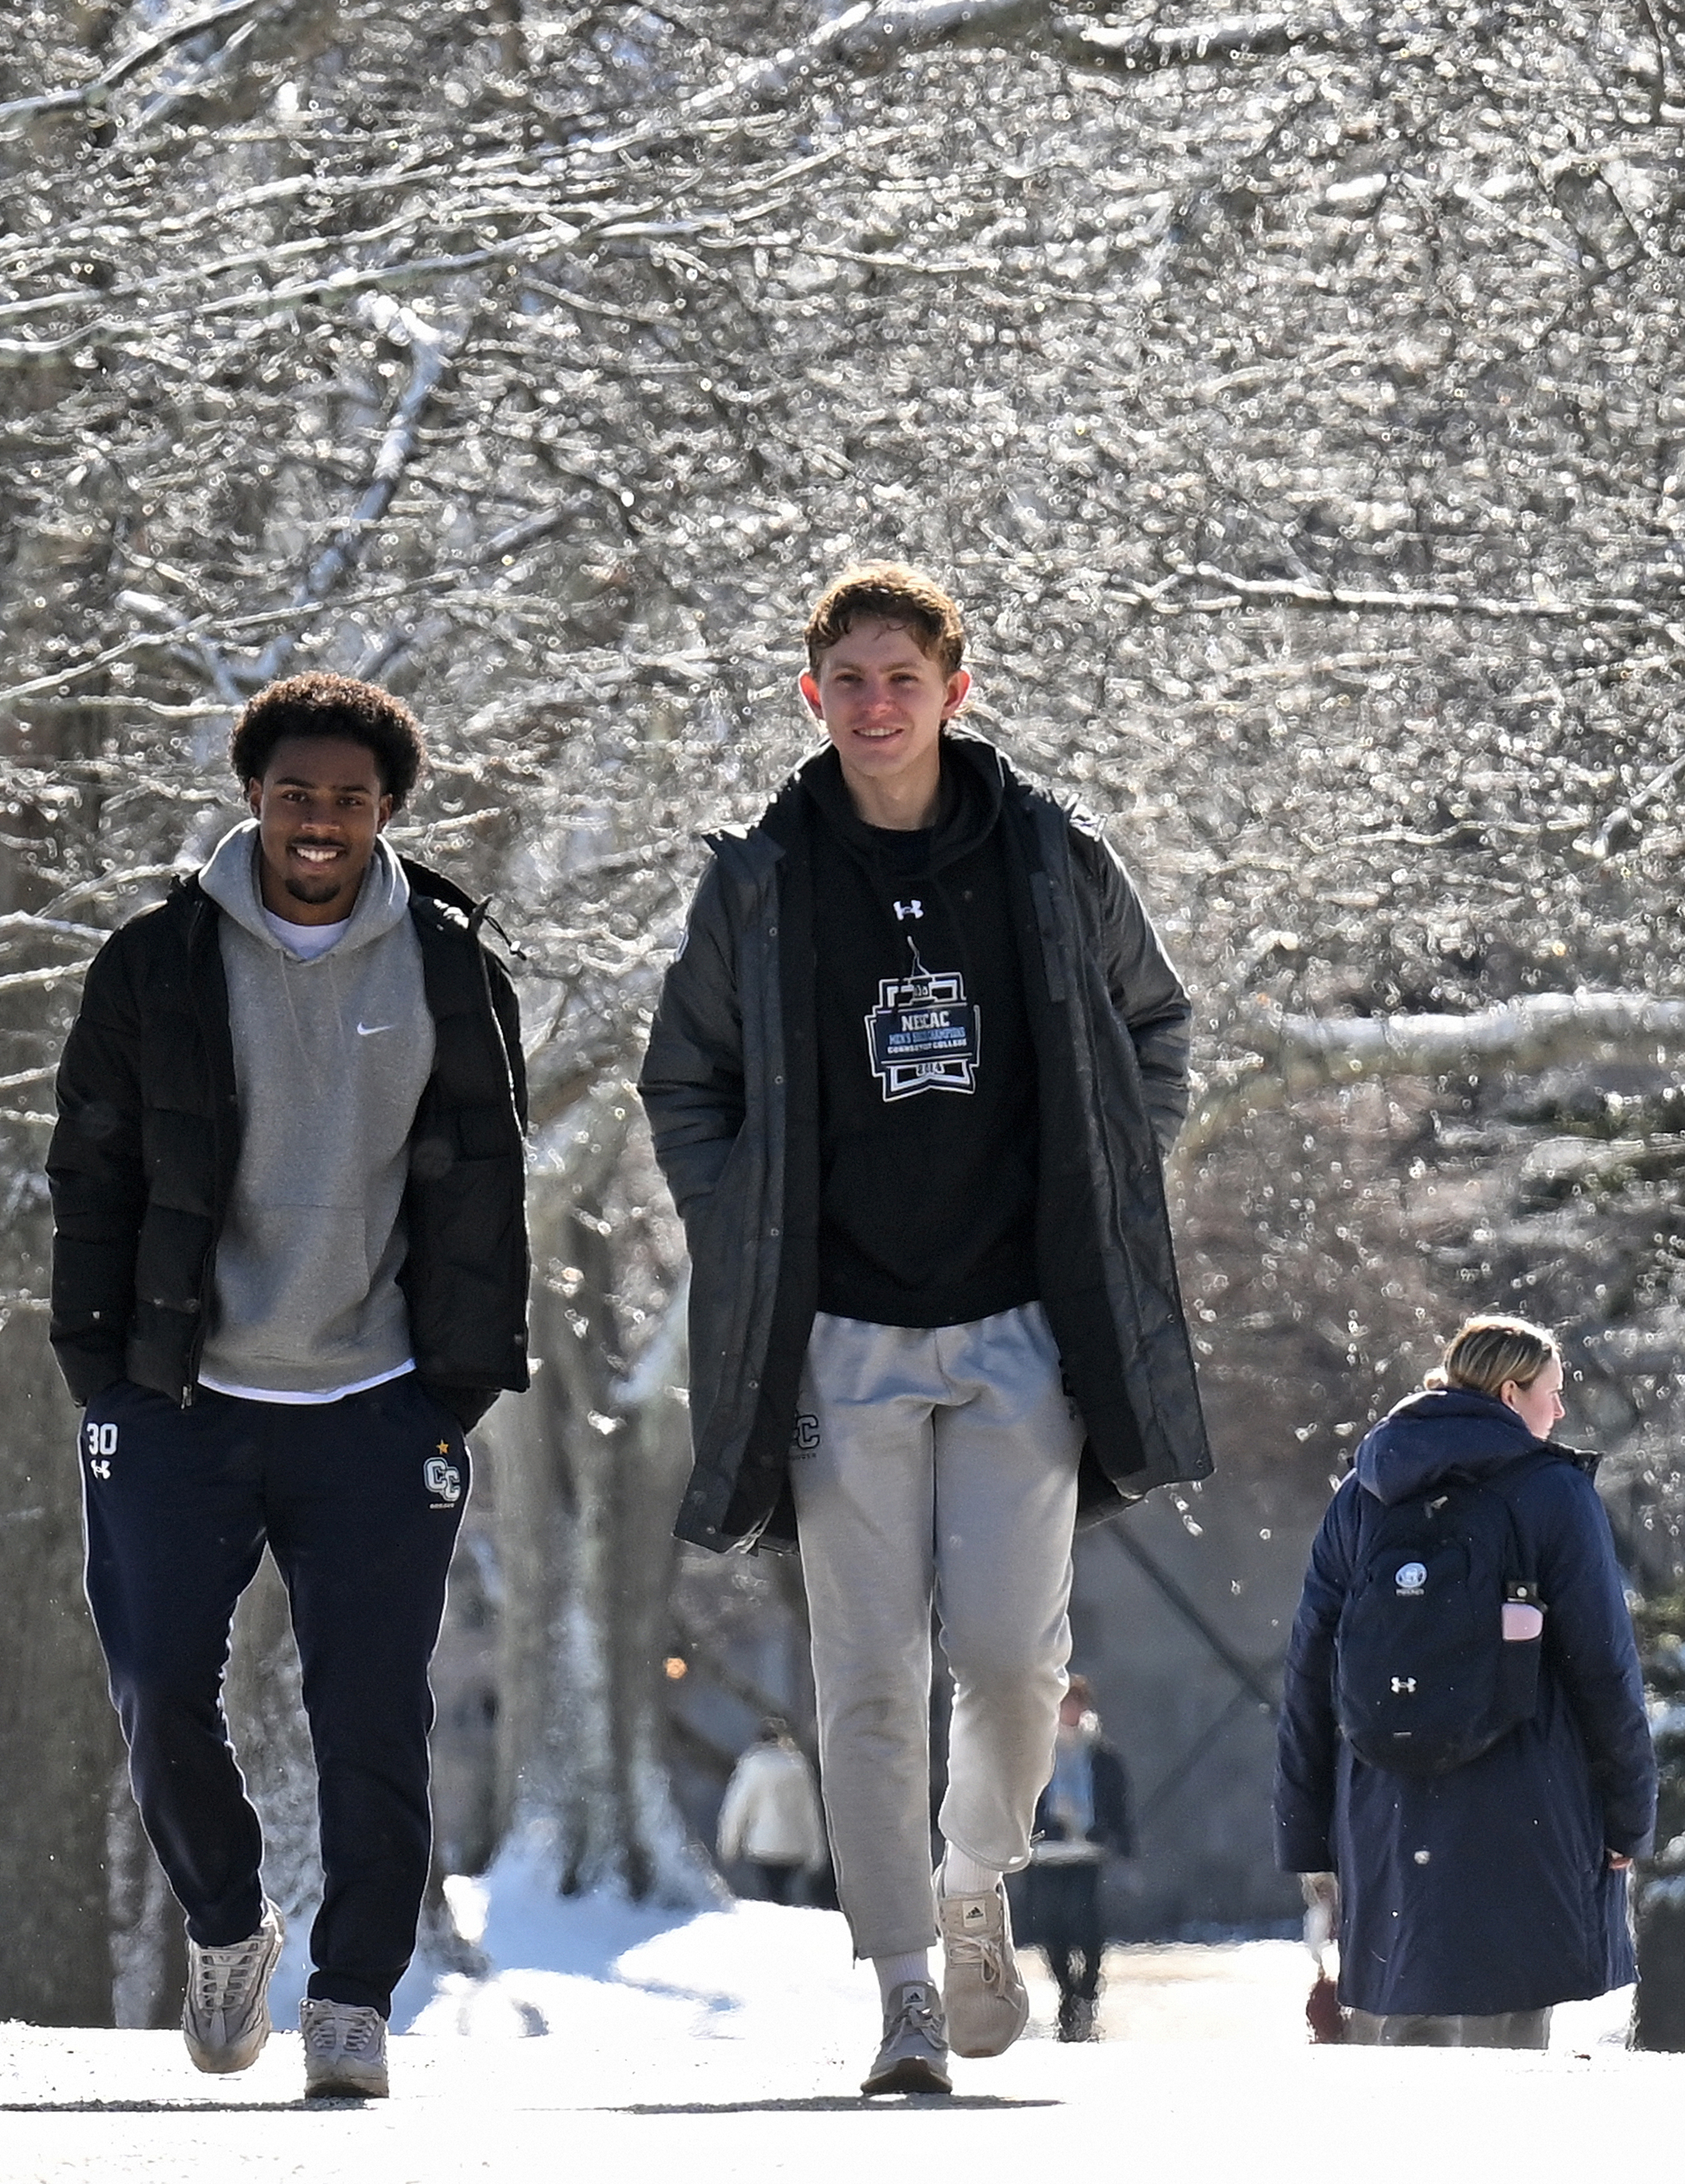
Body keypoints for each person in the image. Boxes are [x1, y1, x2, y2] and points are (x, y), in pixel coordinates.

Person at [639, 563, 1211, 2095]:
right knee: (869, 1674)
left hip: (1021, 1325)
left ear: (957, 693)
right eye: (848, 681)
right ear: (809, 696)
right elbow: (684, 1081)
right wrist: (744, 1212)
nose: (875, 706)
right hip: (837, 1338)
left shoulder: (1045, 855)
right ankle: (902, 1987)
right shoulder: (763, 879)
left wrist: (1108, 1172)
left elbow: (1156, 1024)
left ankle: (975, 1885)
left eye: (903, 679)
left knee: (1017, 1664)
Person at [46, 673, 529, 2100]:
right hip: (179, 1398)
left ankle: (352, 1999)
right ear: (251, 797)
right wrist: (102, 1378)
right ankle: (223, 1922)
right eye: (295, 793)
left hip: (377, 1406)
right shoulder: (154, 963)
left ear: (389, 812)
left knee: (373, 1712)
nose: (320, 822)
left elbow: (489, 1188)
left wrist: (454, 1393)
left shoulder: (447, 966)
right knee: (156, 1688)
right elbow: (92, 1173)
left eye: (350, 799)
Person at [1274, 1315, 1657, 2049]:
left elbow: (1309, 1672)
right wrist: (1628, 1815)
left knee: (1401, 2033)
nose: (1561, 1411)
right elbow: (1602, 1668)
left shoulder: (1362, 1494)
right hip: (1524, 1799)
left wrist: (1307, 1832)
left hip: (1382, 1808)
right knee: (1506, 2047)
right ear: (1512, 1393)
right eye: (1553, 1391)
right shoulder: (1552, 1494)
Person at [1014, 1674, 1134, 2041]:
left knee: (1089, 1928)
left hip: (1085, 1851)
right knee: (1051, 1929)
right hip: (1046, 1853)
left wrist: (1117, 1838)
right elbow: (1025, 1798)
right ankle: (1067, 1991)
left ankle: (1087, 1992)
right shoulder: (1037, 1749)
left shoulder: (1098, 1752)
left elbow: (1116, 1799)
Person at [716, 1719, 829, 1904]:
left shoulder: (753, 1766)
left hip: (763, 1846)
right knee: (783, 1892)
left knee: (771, 1892)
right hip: (795, 1847)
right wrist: (817, 1853)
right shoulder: (799, 1766)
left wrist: (728, 1847)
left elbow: (738, 1807)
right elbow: (810, 1811)